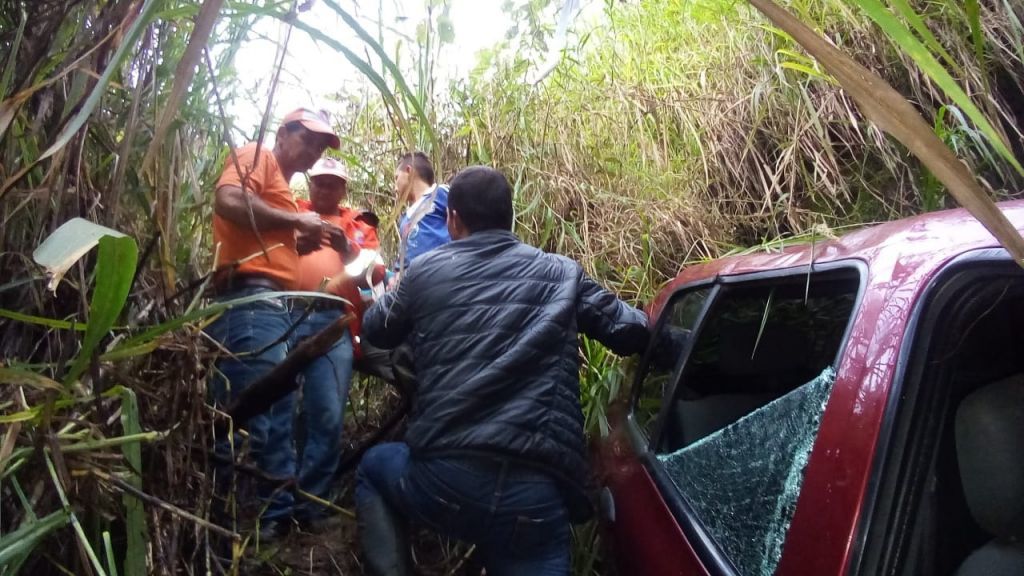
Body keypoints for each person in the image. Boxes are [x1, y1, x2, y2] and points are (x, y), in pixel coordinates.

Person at [355, 166, 651, 575]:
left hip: (444, 481)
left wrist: (390, 295)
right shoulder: (561, 273)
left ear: (453, 219)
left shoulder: (424, 272)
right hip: (536, 495)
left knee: (373, 469)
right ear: (509, 215)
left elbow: (376, 330)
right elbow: (631, 331)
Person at [204, 107, 340, 540]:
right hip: (250, 302)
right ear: (284, 133)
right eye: (310, 140)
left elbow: (262, 238)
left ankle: (271, 522)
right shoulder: (258, 155)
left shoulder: (279, 183)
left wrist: (293, 243)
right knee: (251, 418)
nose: (315, 152)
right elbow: (226, 199)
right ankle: (228, 532)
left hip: (270, 306)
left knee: (277, 414)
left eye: (322, 147)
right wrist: (293, 220)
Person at [289, 157, 383, 530]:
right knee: (284, 413)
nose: (325, 189)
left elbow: (374, 278)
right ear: (310, 184)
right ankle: (280, 495)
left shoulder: (358, 228)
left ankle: (310, 504)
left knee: (326, 415)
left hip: (335, 322)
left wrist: (347, 249)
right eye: (320, 182)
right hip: (286, 316)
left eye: (334, 183)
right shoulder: (295, 213)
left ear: (344, 189)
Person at [393, 151, 450, 272]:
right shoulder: (405, 218)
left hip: (442, 271)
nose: (394, 187)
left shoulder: (440, 193)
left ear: (409, 171)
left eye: (396, 177)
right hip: (412, 280)